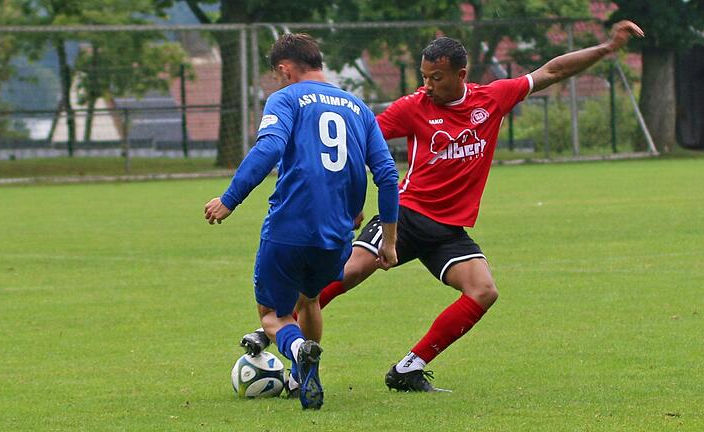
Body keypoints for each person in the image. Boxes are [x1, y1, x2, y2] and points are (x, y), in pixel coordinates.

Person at [242, 20, 644, 392]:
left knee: (484, 291)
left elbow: (552, 71)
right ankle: (278, 328)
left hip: (449, 230)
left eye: (436, 78)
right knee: (346, 274)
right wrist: (347, 201)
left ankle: (408, 368)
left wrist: (607, 47)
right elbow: (355, 141)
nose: (428, 85)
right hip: (408, 215)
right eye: (424, 77)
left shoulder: (493, 99)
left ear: (461, 75)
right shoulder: (413, 107)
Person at [205, 33, 399, 409]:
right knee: (309, 299)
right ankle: (301, 380)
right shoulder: (359, 107)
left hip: (289, 227)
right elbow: (388, 176)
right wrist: (388, 241)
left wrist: (229, 199)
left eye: (277, 76)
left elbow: (270, 147)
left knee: (272, 316)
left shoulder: (286, 98)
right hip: (338, 235)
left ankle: (298, 352)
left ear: (284, 69)